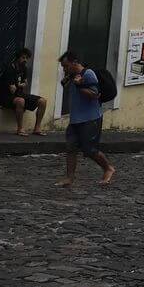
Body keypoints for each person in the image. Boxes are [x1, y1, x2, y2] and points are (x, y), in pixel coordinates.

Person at [57, 51, 115, 187]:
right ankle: (69, 178)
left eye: (66, 66)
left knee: (90, 150)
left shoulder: (88, 74)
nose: (64, 69)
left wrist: (79, 85)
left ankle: (108, 168)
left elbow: (94, 94)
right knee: (70, 148)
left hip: (90, 119)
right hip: (75, 120)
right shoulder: (72, 76)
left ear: (75, 62)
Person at [0, 48, 46, 136]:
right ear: (18, 58)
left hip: (20, 94)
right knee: (21, 101)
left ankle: (37, 128)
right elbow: (12, 90)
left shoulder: (24, 68)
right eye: (23, 58)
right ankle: (20, 129)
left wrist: (21, 84)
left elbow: (25, 82)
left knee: (42, 101)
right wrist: (19, 85)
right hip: (7, 96)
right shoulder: (10, 68)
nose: (25, 60)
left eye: (27, 58)